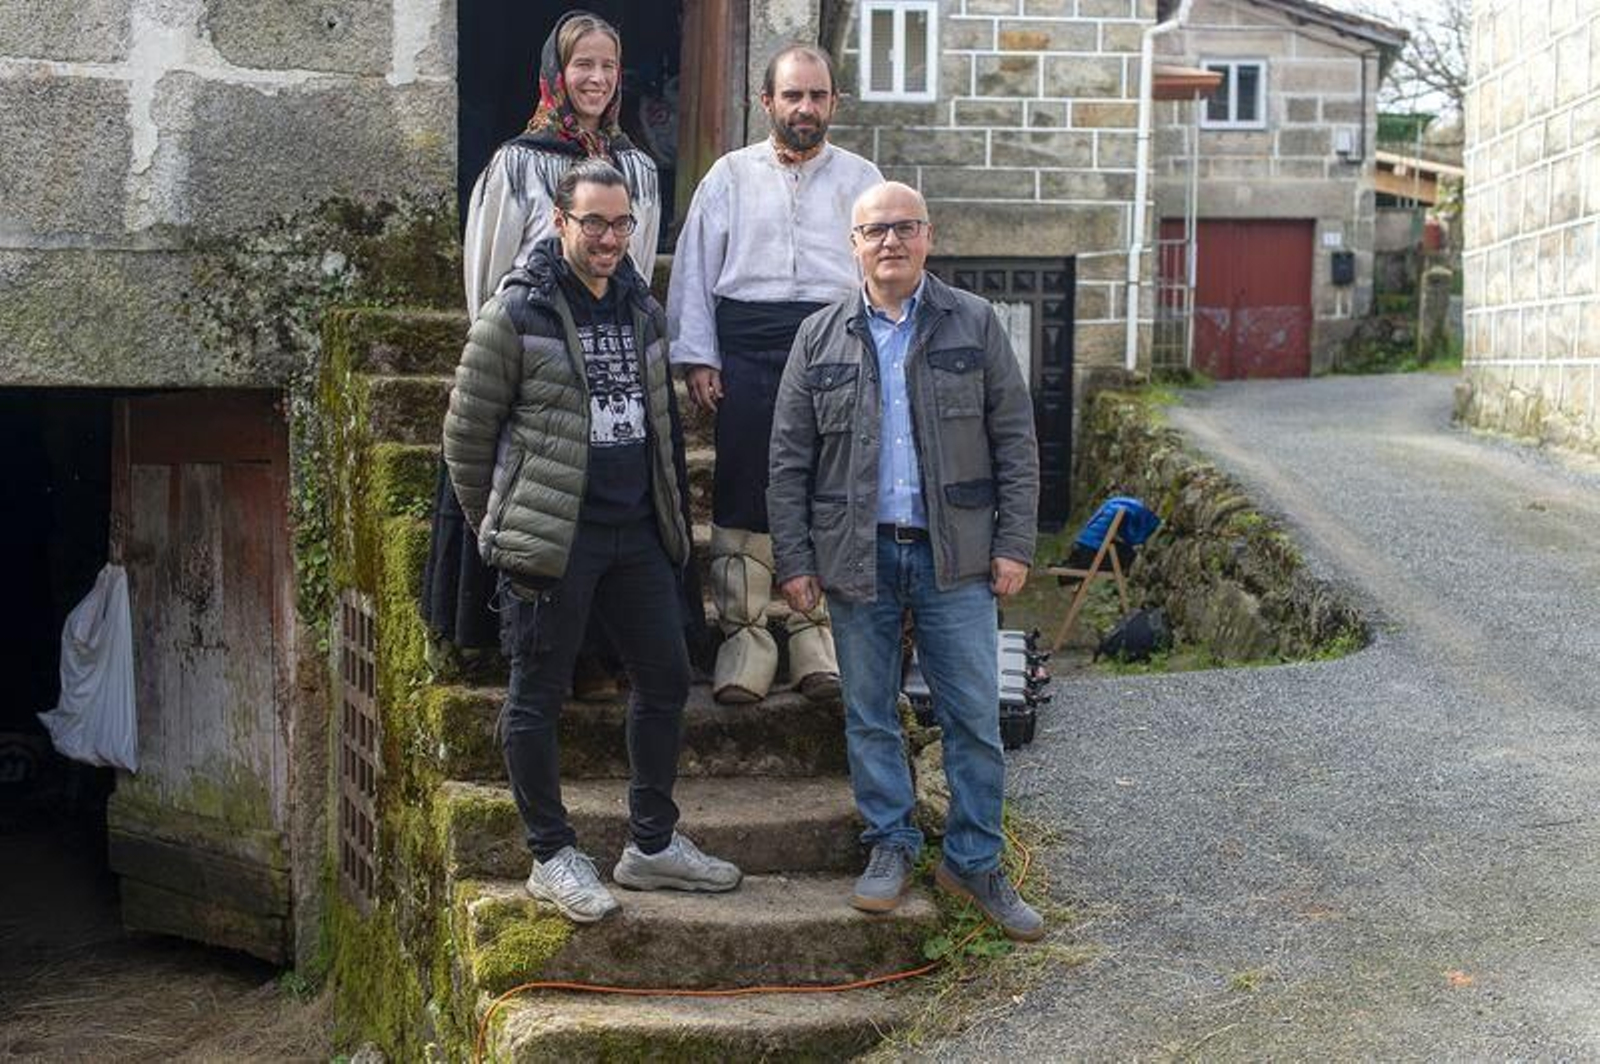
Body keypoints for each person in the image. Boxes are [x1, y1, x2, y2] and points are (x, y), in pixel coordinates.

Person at [443, 161, 741, 923]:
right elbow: (466, 441)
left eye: (621, 225)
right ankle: (550, 854)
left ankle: (651, 842)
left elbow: (660, 428)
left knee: (668, 677)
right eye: (594, 223)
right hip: (556, 538)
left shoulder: (643, 309)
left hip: (636, 532)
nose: (609, 238)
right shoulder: (514, 316)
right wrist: (504, 528)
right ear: (559, 221)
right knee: (537, 696)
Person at [767, 182, 1045, 941]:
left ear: (928, 237)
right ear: (853, 244)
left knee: (974, 717)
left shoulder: (974, 322)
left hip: (955, 557)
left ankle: (975, 861)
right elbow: (789, 460)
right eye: (874, 230)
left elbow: (1015, 441)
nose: (890, 241)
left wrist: (1014, 543)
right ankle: (890, 845)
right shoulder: (820, 336)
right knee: (869, 715)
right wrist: (795, 558)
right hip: (857, 556)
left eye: (905, 228)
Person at [424, 10, 670, 692]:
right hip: (532, 363)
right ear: (556, 74)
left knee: (601, 511)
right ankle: (509, 646)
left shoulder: (638, 171)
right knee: (541, 509)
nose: (595, 78)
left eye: (607, 67)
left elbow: (636, 267)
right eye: (582, 65)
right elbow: (488, 276)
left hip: (607, 361)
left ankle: (596, 652)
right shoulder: (517, 164)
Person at [667, 44, 882, 704]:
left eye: (818, 96)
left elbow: (883, 269)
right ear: (766, 102)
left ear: (834, 103)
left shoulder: (862, 179)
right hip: (748, 352)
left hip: (835, 350)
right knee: (745, 488)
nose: (806, 108)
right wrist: (700, 356)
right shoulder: (729, 177)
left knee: (829, 487)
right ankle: (746, 638)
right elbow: (695, 271)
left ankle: (815, 636)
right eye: (793, 95)